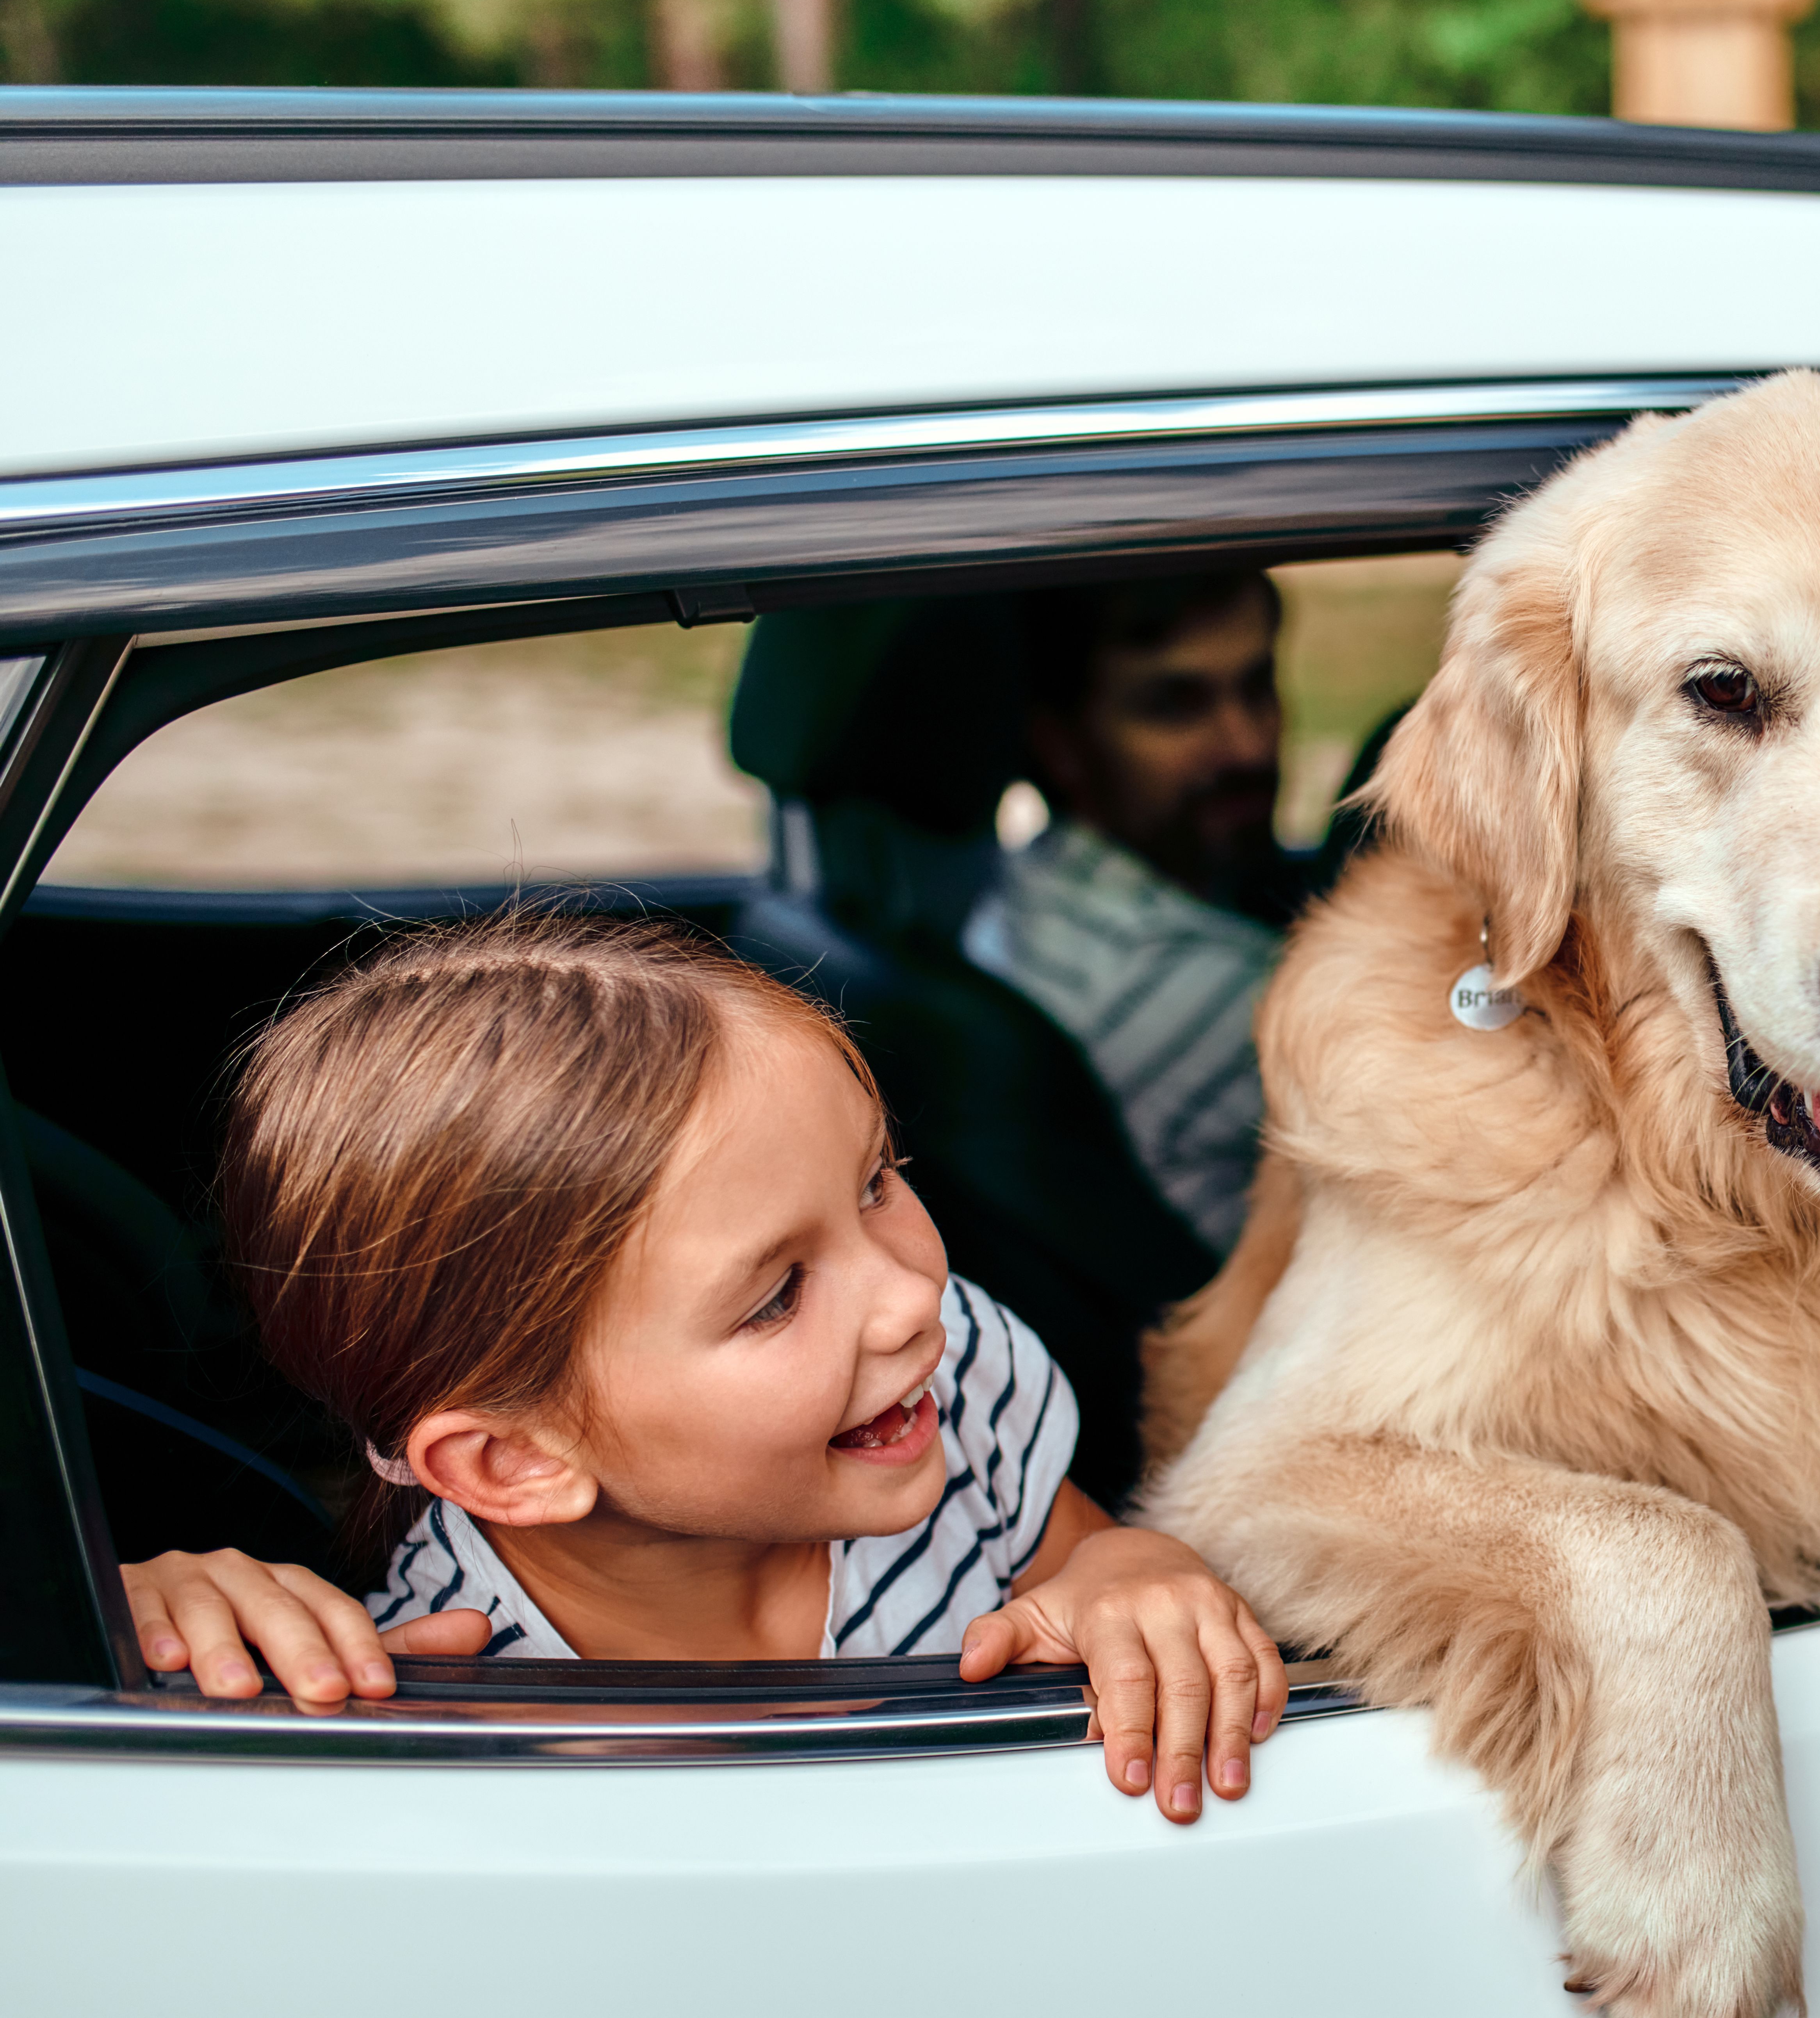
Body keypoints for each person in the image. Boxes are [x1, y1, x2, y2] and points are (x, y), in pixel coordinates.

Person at [117, 910, 1285, 1823]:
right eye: (776, 1293)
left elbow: (1079, 1559)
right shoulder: (442, 1674)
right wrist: (147, 1639)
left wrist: (1139, 1573)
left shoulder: (956, 1384)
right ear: (515, 1458)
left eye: (877, 1180)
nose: (909, 1294)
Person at [963, 572, 1298, 1254]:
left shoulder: (1032, 883)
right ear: (1060, 745)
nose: (1248, 744)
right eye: (1177, 706)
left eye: (1258, 686)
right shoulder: (1229, 994)